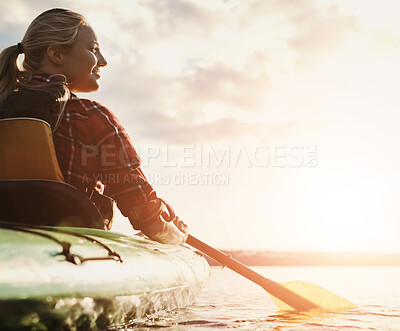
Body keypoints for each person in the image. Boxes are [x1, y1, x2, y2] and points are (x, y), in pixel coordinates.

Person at [0, 8, 188, 244]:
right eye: (93, 49)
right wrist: (178, 236)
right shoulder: (91, 117)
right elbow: (146, 215)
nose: (103, 61)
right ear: (56, 54)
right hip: (74, 248)